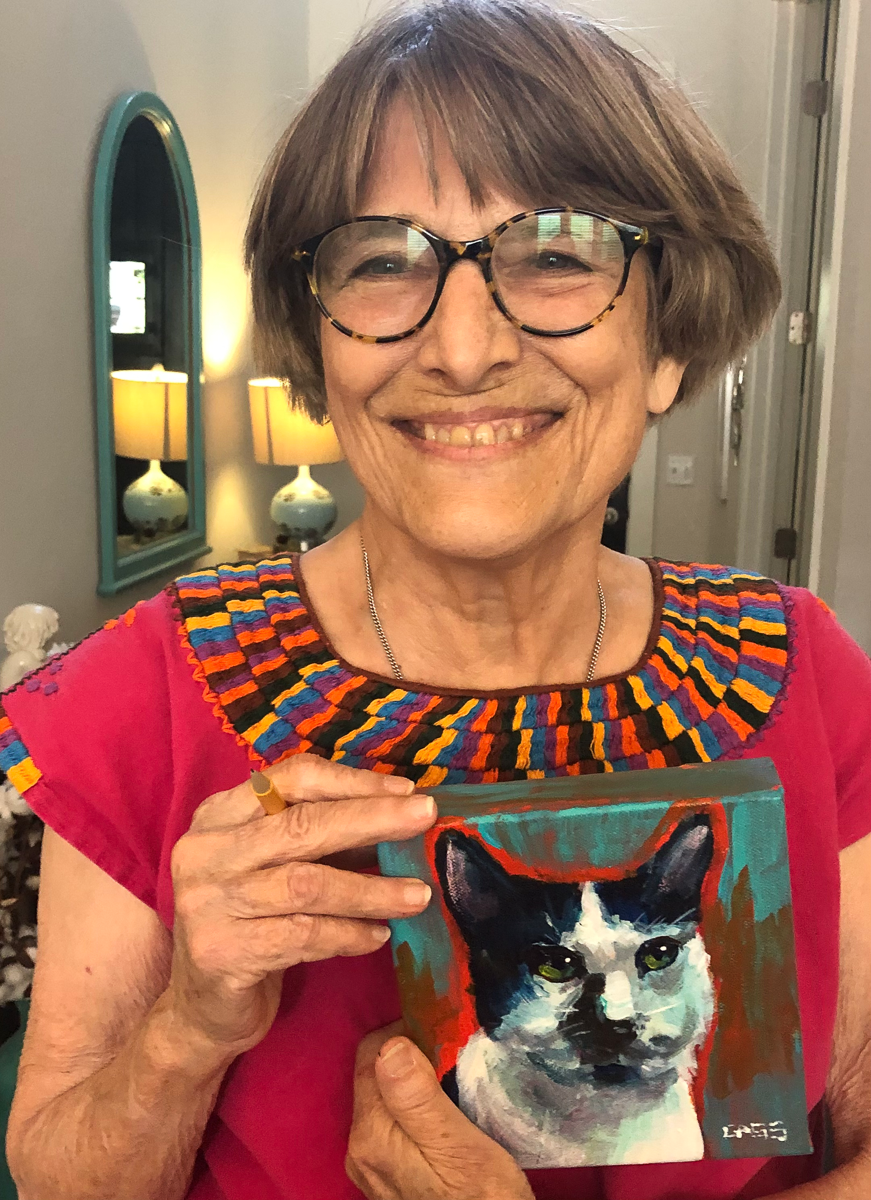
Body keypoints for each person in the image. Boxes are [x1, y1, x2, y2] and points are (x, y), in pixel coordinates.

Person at [2, 2, 869, 1198]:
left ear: (668, 341)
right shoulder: (137, 697)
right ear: (318, 346)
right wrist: (186, 1028)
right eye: (381, 261)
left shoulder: (807, 674)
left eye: (556, 253)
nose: (463, 350)